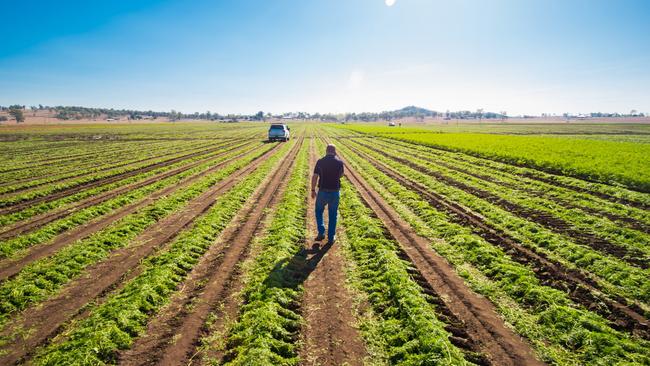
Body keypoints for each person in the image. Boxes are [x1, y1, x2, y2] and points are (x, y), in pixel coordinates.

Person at [311, 144, 344, 244]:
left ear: (326, 151)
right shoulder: (339, 162)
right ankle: (331, 237)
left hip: (322, 191)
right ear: (334, 151)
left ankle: (321, 232)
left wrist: (313, 190)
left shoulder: (320, 162)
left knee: (318, 211)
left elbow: (315, 176)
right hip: (335, 192)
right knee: (333, 214)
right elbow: (341, 175)